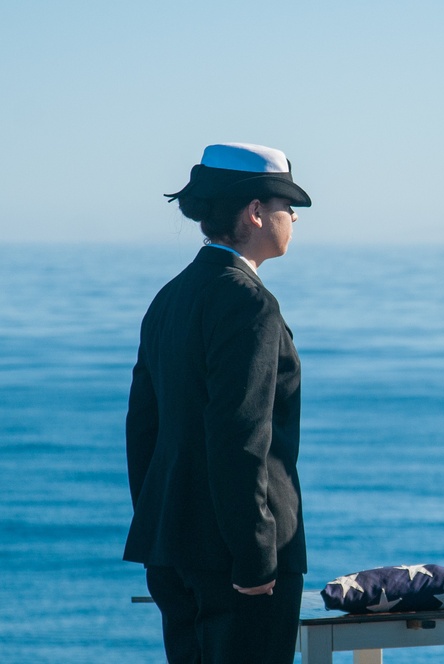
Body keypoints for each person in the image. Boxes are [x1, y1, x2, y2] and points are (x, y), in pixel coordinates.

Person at [124, 142, 312, 664]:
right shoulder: (248, 302)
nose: (292, 217)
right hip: (235, 561)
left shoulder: (171, 296)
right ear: (255, 212)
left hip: (172, 547)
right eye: (286, 205)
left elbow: (143, 430)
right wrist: (255, 558)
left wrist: (160, 528)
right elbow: (240, 437)